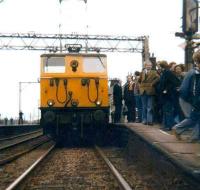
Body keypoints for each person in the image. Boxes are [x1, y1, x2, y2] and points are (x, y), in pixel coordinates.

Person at [173, 50, 200, 142]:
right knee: (193, 118)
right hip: (187, 99)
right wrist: (194, 102)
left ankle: (194, 137)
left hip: (188, 98)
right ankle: (177, 129)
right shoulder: (194, 73)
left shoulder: (193, 72)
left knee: (196, 117)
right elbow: (192, 90)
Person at [157, 61, 181, 131]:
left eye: (158, 66)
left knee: (168, 110)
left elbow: (176, 82)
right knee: (166, 110)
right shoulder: (165, 72)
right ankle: (166, 125)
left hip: (168, 95)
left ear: (161, 66)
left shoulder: (167, 72)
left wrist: (166, 89)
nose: (157, 67)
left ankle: (169, 126)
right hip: (165, 95)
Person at [139, 61, 160, 125]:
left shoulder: (154, 72)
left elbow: (158, 78)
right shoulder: (142, 72)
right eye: (148, 65)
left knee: (150, 107)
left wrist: (152, 83)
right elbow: (139, 80)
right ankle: (144, 120)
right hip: (143, 91)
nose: (149, 66)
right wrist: (141, 87)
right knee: (144, 106)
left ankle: (149, 121)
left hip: (150, 91)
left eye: (150, 65)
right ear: (145, 66)